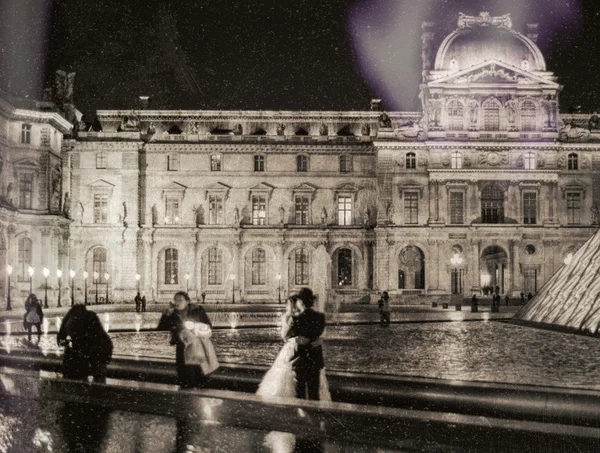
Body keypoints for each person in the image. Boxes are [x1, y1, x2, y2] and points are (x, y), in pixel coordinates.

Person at [257, 292, 330, 401]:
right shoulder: (294, 317)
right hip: (298, 350)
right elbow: (285, 336)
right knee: (306, 382)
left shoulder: (298, 318)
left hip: (297, 349)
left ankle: (299, 403)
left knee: (297, 379)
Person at [157, 291, 214, 388]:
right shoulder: (173, 313)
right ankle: (186, 394)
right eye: (175, 300)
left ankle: (199, 391)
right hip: (181, 346)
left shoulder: (198, 310)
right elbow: (161, 328)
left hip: (197, 345)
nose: (177, 302)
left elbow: (208, 325)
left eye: (180, 300)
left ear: (187, 301)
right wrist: (165, 315)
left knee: (197, 370)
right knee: (183, 372)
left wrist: (195, 328)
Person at [57, 305, 113, 383]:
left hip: (98, 348)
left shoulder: (74, 319)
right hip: (100, 347)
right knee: (97, 374)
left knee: (95, 372)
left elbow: (61, 336)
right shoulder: (85, 317)